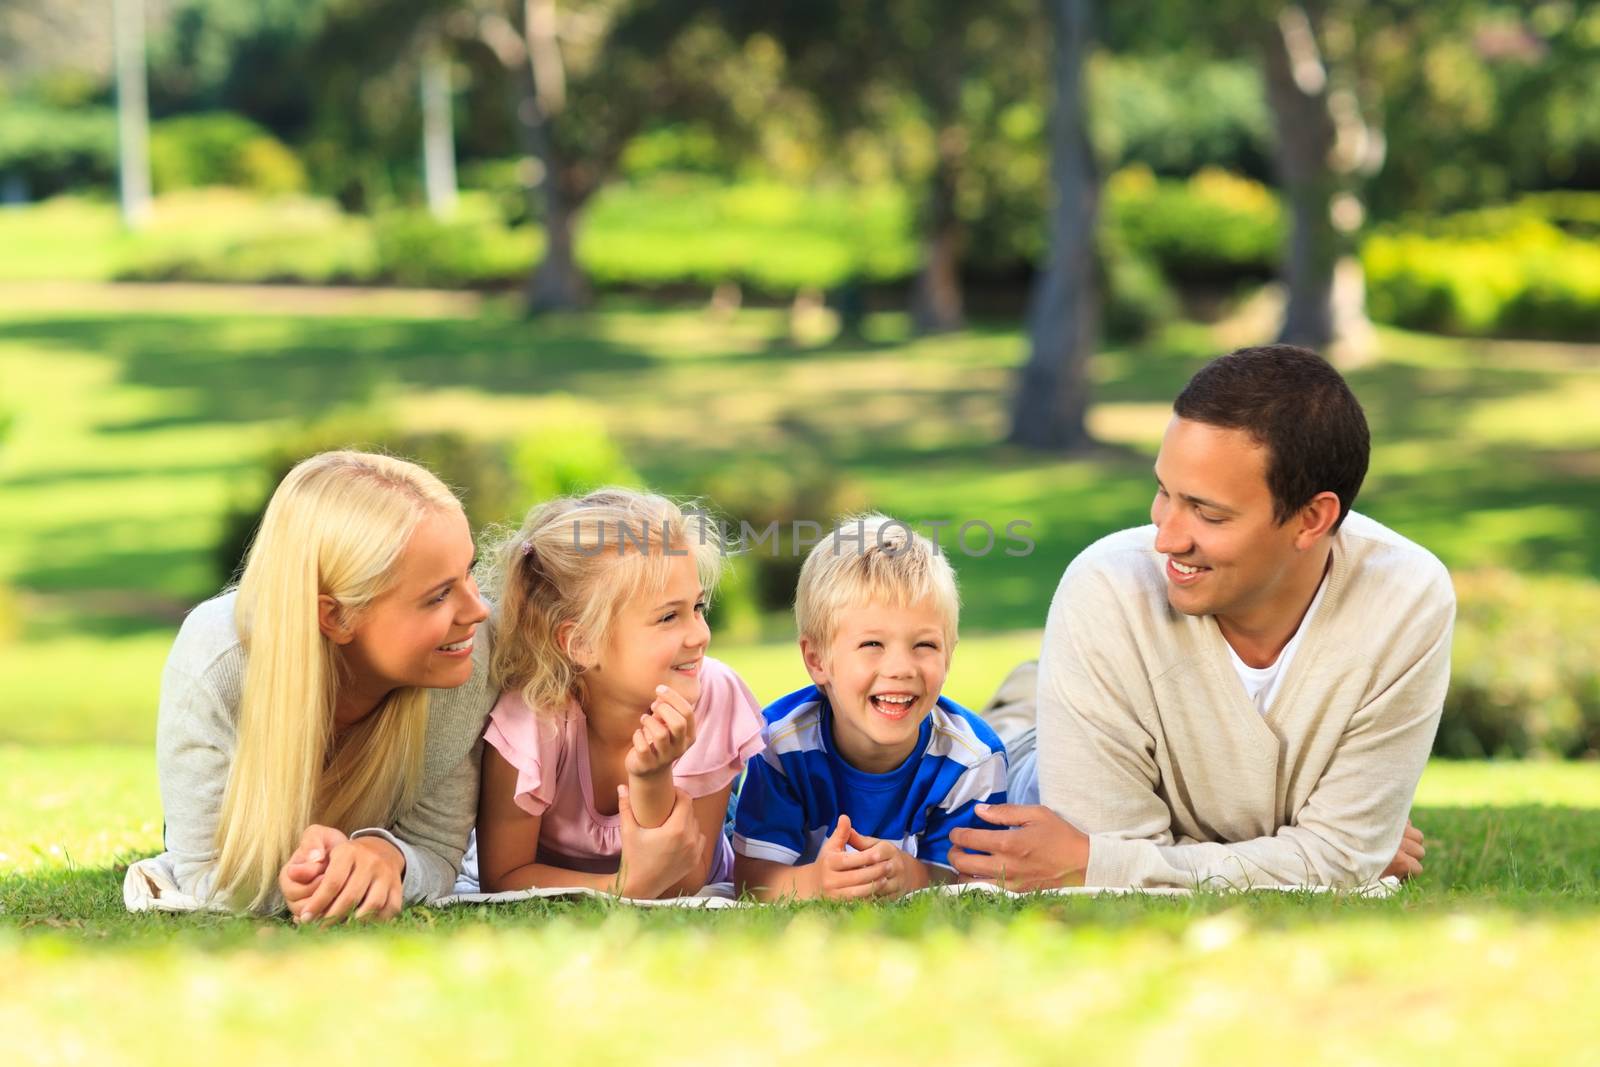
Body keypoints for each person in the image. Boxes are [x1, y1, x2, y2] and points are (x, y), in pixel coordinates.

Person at [949, 345, 1449, 890]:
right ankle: (1024, 697)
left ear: (1312, 519)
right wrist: (1309, 852)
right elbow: (1102, 861)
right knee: (994, 745)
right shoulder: (1106, 588)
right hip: (1025, 762)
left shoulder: (1406, 601)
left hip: (1131, 720)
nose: (1166, 538)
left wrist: (1337, 853)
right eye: (1164, 492)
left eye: (1209, 513)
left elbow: (1106, 861)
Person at [148, 451, 494, 920]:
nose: (478, 610)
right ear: (334, 615)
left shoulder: (468, 654)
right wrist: (301, 883)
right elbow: (205, 871)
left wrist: (389, 859)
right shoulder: (217, 663)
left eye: (469, 572)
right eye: (437, 596)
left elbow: (436, 847)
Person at [472, 489, 765, 898]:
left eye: (698, 608)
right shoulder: (532, 718)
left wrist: (652, 777)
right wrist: (623, 886)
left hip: (699, 858)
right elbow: (503, 877)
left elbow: (687, 878)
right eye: (668, 617)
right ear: (582, 644)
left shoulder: (714, 694)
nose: (700, 635)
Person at [733, 515, 1008, 901]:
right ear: (817, 660)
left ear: (949, 655)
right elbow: (752, 880)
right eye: (872, 645)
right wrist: (815, 884)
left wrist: (912, 876)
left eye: (925, 645)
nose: (900, 669)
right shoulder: (781, 745)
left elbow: (976, 885)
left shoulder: (972, 759)